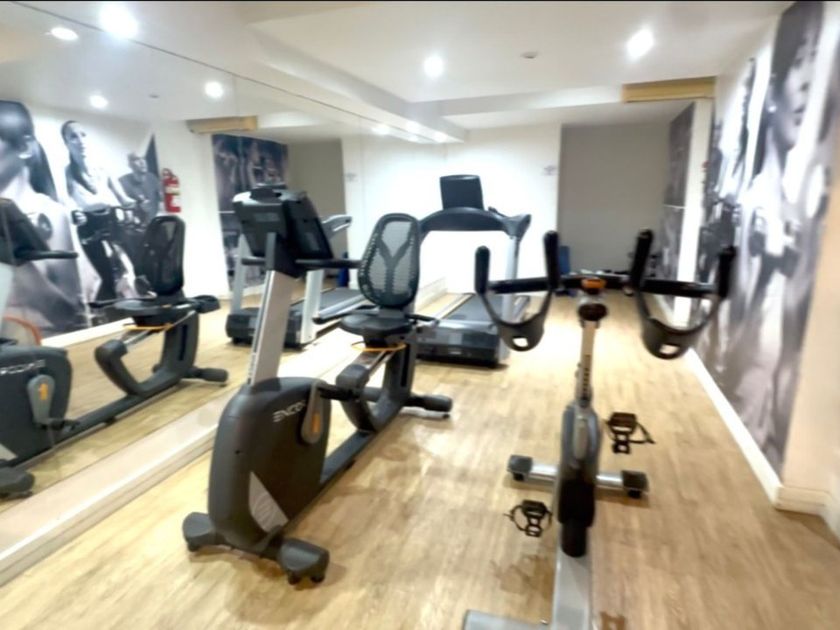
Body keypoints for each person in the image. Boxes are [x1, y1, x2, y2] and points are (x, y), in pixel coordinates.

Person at [724, 0, 826, 470]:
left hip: (772, 405)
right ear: (777, 84)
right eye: (799, 60)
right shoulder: (754, 206)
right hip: (752, 388)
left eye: (813, 61)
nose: (805, 82)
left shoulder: (797, 206)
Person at [0, 100, 84, 334]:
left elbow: (68, 314)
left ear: (24, 146)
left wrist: (20, 264)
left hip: (39, 344)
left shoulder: (52, 214)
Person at [61, 120, 138, 302]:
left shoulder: (102, 166)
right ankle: (108, 309)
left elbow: (122, 197)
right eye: (73, 137)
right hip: (88, 225)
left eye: (83, 135)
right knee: (105, 277)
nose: (80, 140)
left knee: (134, 264)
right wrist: (74, 213)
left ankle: (136, 300)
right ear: (66, 143)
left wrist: (131, 206)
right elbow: (65, 201)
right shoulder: (67, 172)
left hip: (110, 219)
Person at [118, 151, 162, 224]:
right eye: (137, 159)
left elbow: (161, 202)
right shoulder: (123, 181)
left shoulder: (152, 178)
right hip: (135, 225)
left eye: (143, 158)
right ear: (130, 165)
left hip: (155, 223)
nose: (142, 162)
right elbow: (122, 205)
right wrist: (138, 206)